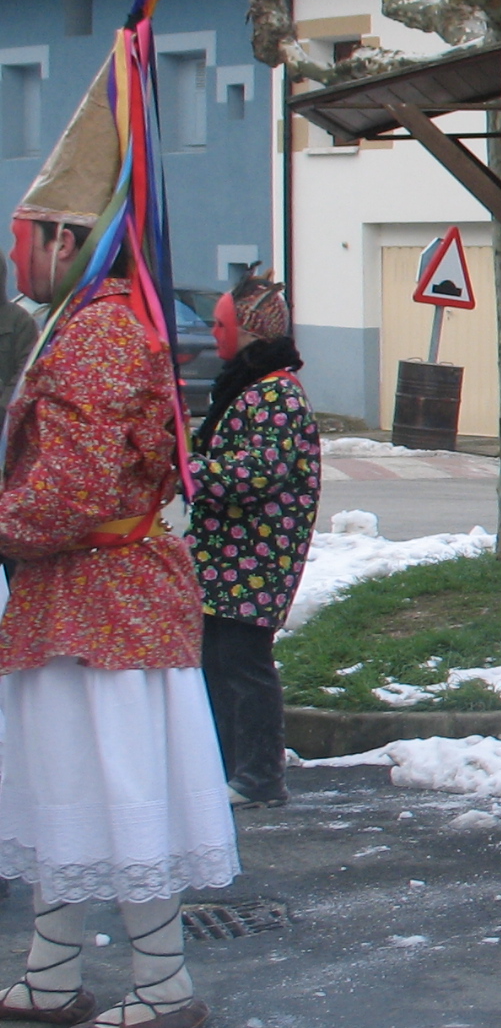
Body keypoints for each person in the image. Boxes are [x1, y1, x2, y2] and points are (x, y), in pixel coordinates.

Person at [0, 61, 238, 1028]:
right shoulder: (93, 323)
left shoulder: (95, 336)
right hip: (88, 609)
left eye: (24, 238)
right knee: (74, 787)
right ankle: (51, 976)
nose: (16, 258)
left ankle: (163, 985)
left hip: (106, 610)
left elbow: (76, 488)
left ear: (66, 238)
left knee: (116, 791)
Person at [191, 273, 321, 809]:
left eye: (220, 324)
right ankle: (228, 767)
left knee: (243, 663)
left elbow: (257, 472)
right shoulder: (250, 387)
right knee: (218, 660)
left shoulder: (276, 393)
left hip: (256, 558)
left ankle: (259, 776)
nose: (213, 333)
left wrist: (190, 471)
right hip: (230, 557)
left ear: (249, 332)